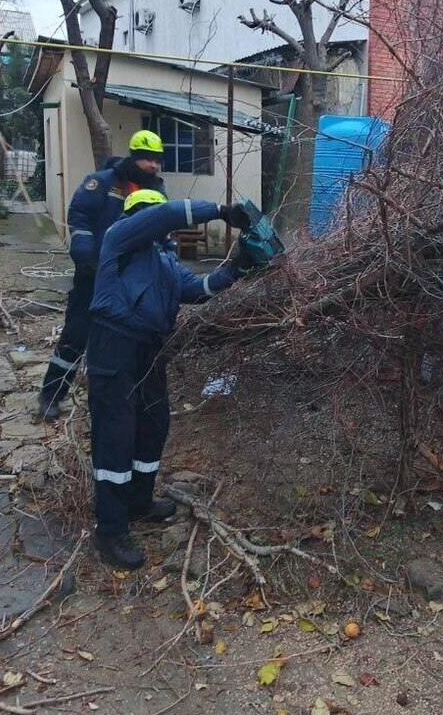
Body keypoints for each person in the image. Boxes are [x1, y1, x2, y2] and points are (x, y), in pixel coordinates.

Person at [87, 191, 272, 570]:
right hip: (114, 344)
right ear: (140, 216)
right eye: (150, 216)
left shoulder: (166, 261)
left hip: (151, 349)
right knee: (115, 433)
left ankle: (138, 503)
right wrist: (220, 211)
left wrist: (239, 266)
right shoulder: (119, 236)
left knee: (153, 424)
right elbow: (168, 213)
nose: (158, 224)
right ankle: (110, 529)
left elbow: (199, 291)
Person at [38, 130, 167, 419]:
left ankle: (117, 402)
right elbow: (80, 214)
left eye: (157, 160)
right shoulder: (104, 182)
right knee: (76, 334)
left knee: (127, 341)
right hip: (94, 274)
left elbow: (162, 227)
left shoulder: (157, 190)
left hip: (132, 281)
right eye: (148, 159)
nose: (154, 166)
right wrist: (85, 253)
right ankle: (51, 395)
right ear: (133, 157)